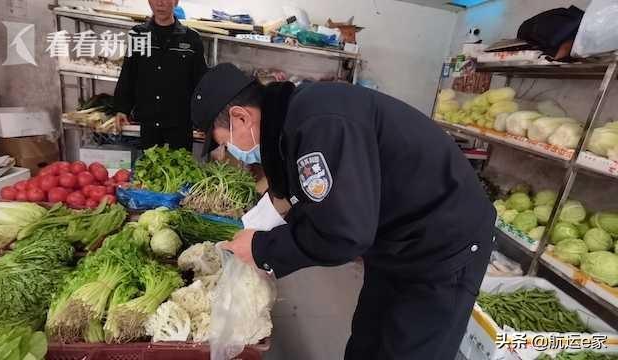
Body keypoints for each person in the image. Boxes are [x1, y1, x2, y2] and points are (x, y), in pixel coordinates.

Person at [191, 63, 496, 360]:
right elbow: (301, 194)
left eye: (225, 143)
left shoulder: (320, 125)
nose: (231, 153)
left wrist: (262, 249)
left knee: (410, 347)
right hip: (395, 238)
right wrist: (255, 225)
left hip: (443, 244)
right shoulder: (292, 119)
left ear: (240, 117)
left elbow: (343, 235)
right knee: (368, 339)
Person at [114, 0, 207, 151]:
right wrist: (122, 108)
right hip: (148, 121)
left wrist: (204, 118)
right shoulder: (139, 35)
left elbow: (201, 83)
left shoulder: (191, 39)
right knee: (150, 169)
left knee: (179, 170)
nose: (160, 3)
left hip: (180, 124)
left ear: (176, 1)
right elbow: (128, 74)